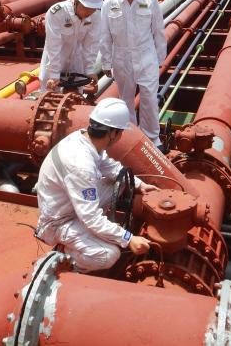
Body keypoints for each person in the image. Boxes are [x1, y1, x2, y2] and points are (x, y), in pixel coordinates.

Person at [35, 98, 156, 272]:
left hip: (69, 202)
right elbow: (91, 218)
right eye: (121, 132)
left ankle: (92, 235)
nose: (121, 136)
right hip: (59, 221)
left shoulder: (84, 139)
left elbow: (110, 166)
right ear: (112, 133)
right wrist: (128, 238)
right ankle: (65, 260)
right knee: (109, 254)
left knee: (119, 183)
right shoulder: (81, 165)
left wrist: (139, 185)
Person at [101, 0, 166, 146]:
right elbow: (105, 35)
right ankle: (130, 137)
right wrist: (106, 62)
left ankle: (152, 139)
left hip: (146, 56)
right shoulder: (110, 3)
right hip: (121, 58)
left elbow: (158, 32)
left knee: (150, 99)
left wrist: (160, 59)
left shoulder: (150, 1)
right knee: (126, 100)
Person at [39, 0, 102, 92]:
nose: (89, 12)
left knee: (76, 97)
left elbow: (91, 44)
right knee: (50, 98)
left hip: (77, 62)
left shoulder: (96, 16)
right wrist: (54, 73)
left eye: (93, 8)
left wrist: (89, 69)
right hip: (54, 61)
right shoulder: (57, 13)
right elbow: (54, 44)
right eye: (86, 7)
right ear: (75, 0)